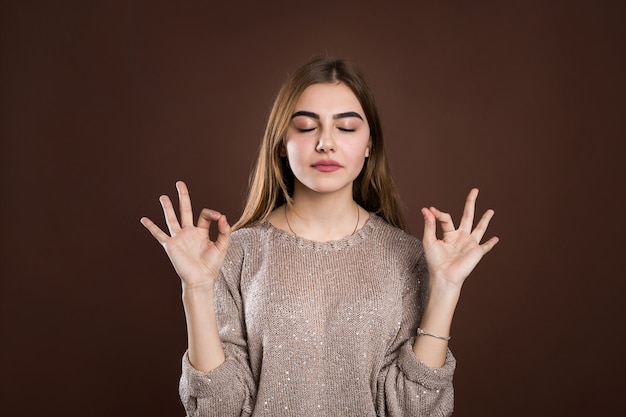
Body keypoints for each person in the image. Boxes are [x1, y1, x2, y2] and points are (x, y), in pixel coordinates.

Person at [140, 57, 499, 416]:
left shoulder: (407, 256)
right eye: (307, 126)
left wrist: (446, 288)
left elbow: (414, 410)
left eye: (346, 128)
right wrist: (197, 289)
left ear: (370, 144)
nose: (326, 143)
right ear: (282, 142)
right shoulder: (233, 253)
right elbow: (218, 411)